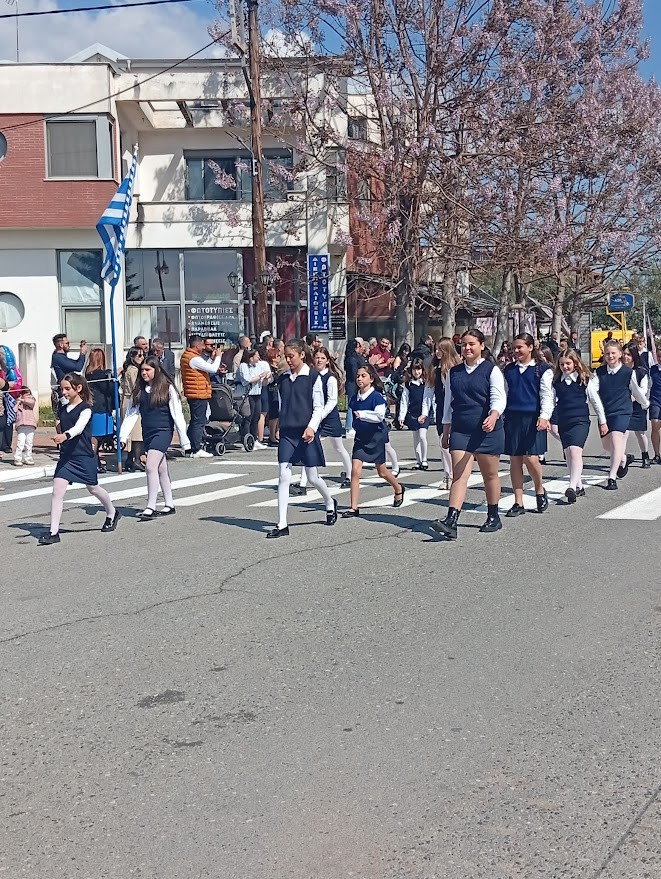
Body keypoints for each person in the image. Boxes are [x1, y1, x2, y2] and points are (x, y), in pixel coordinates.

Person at [431, 328, 507, 540]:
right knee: (459, 475)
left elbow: (499, 398)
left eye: (471, 344)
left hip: (486, 430)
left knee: (489, 475)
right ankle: (451, 521)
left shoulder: (491, 370)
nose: (467, 348)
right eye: (464, 344)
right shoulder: (454, 373)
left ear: (481, 345)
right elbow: (448, 404)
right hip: (461, 430)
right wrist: (446, 431)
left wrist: (493, 415)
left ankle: (493, 516)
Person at [267, 339, 338, 539]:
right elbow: (282, 404)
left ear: (302, 355)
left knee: (313, 477)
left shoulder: (313, 377)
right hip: (288, 433)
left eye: (291, 356)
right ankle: (282, 523)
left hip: (306, 433)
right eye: (286, 356)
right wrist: (279, 425)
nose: (288, 360)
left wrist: (311, 427)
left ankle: (329, 502)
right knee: (284, 475)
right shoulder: (283, 379)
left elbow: (318, 406)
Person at [39, 373, 120, 545]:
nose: (64, 392)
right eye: (62, 389)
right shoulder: (63, 408)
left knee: (93, 488)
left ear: (79, 388)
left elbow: (79, 428)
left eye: (67, 389)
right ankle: (53, 532)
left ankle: (112, 512)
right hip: (67, 456)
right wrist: (59, 430)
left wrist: (65, 435)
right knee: (57, 490)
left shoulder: (86, 409)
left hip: (83, 455)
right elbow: (62, 423)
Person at [120, 356, 190, 518]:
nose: (144, 373)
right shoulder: (139, 391)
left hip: (163, 431)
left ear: (156, 370)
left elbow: (177, 415)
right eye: (142, 370)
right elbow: (131, 415)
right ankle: (169, 504)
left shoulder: (167, 388)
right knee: (161, 468)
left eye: (148, 370)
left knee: (150, 466)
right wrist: (123, 436)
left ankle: (150, 506)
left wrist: (184, 441)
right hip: (148, 432)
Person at [341, 363, 404, 517]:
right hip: (361, 438)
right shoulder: (355, 398)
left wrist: (363, 415)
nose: (359, 379)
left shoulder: (376, 397)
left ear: (371, 378)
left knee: (382, 472)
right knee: (355, 471)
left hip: (376, 438)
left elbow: (379, 416)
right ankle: (354, 508)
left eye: (363, 376)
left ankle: (398, 488)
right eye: (358, 376)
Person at [502, 333, 554, 517]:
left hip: (533, 419)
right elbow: (504, 394)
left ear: (530, 348)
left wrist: (544, 416)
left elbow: (547, 395)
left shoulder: (542, 370)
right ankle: (518, 502)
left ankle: (539, 489)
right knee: (515, 459)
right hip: (513, 418)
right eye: (514, 348)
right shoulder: (509, 370)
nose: (516, 351)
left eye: (520, 347)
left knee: (531, 458)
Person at [294, 348, 353, 495]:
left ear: (327, 361)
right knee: (307, 447)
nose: (319, 360)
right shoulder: (311, 376)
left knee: (338, 447)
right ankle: (302, 484)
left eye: (322, 358)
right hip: (315, 418)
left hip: (329, 418)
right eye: (317, 357)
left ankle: (350, 475)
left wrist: (321, 415)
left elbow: (332, 401)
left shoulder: (330, 378)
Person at [594, 339, 649, 490]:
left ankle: (612, 477)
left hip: (622, 411)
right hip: (605, 411)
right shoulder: (599, 372)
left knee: (616, 438)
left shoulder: (628, 372)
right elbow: (592, 391)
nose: (610, 356)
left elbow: (636, 391)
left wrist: (644, 403)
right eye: (607, 353)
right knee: (607, 445)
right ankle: (623, 458)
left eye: (613, 353)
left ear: (619, 354)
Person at [553, 350, 606, 503]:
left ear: (575, 363)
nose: (565, 367)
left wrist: (602, 421)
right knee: (569, 453)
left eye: (568, 363)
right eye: (562, 364)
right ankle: (579, 485)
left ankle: (571, 486)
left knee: (575, 452)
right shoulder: (556, 382)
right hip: (564, 421)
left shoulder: (584, 380)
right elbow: (551, 401)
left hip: (580, 421)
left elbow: (595, 401)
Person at [423, 337, 461, 488]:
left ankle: (457, 474)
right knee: (443, 442)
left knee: (455, 444)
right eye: (436, 349)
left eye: (440, 349)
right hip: (441, 409)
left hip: (456, 409)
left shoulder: (457, 369)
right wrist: (425, 412)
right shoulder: (434, 369)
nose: (437, 352)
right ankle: (448, 475)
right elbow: (428, 392)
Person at [180, 334, 223, 458]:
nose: (203, 347)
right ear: (197, 345)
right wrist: (218, 357)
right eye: (202, 345)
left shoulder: (187, 356)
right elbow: (213, 369)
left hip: (194, 392)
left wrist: (212, 359)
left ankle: (189, 447)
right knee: (199, 422)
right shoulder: (194, 358)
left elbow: (204, 368)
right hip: (198, 393)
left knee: (195, 421)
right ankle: (196, 448)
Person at [85, 347, 115, 474]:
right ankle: (93, 462)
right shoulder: (98, 374)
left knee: (99, 436)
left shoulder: (88, 373)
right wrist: (113, 378)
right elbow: (108, 388)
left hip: (98, 407)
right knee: (96, 436)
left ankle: (95, 461)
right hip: (100, 408)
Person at [622, 346, 651, 469]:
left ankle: (645, 455)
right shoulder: (620, 370)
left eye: (628, 354)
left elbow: (643, 390)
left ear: (634, 356)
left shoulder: (641, 372)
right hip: (623, 406)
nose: (625, 357)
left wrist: (634, 397)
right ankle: (621, 459)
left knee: (640, 433)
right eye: (624, 354)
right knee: (623, 433)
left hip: (638, 405)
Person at [398, 358, 431, 469]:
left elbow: (430, 398)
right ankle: (418, 460)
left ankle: (424, 459)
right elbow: (404, 401)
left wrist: (431, 411)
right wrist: (402, 416)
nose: (416, 372)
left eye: (419, 369)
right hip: (413, 413)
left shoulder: (426, 383)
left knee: (422, 435)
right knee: (416, 437)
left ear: (422, 370)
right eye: (414, 369)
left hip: (424, 413)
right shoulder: (408, 384)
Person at [237, 349, 270, 449]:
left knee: (256, 417)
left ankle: (254, 439)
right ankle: (246, 440)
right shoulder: (243, 366)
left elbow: (264, 382)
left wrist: (266, 377)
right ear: (251, 358)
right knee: (248, 418)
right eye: (256, 355)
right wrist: (260, 376)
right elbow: (247, 380)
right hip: (247, 395)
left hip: (257, 393)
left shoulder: (258, 366)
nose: (258, 357)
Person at [120, 347, 145, 472]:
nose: (142, 358)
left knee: (131, 432)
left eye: (143, 355)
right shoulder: (134, 370)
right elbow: (136, 386)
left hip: (127, 400)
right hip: (133, 401)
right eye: (139, 355)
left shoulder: (127, 369)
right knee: (137, 433)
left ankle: (129, 460)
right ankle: (137, 460)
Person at [343, 339, 367, 437]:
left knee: (354, 405)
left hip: (351, 384)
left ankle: (353, 426)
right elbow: (354, 373)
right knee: (351, 406)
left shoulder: (349, 358)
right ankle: (349, 427)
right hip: (352, 385)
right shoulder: (352, 359)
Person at [13, 387, 38, 466]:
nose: (29, 396)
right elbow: (14, 410)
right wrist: (18, 402)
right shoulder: (19, 404)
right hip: (21, 426)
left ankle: (28, 457)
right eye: (27, 395)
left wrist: (23, 400)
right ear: (21, 395)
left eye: (30, 394)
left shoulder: (31, 401)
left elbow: (31, 402)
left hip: (30, 425)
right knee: (20, 442)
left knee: (29, 443)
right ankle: (17, 458)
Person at [649, 345, 661, 464]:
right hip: (655, 401)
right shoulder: (652, 369)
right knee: (655, 427)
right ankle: (657, 455)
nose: (660, 358)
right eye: (659, 356)